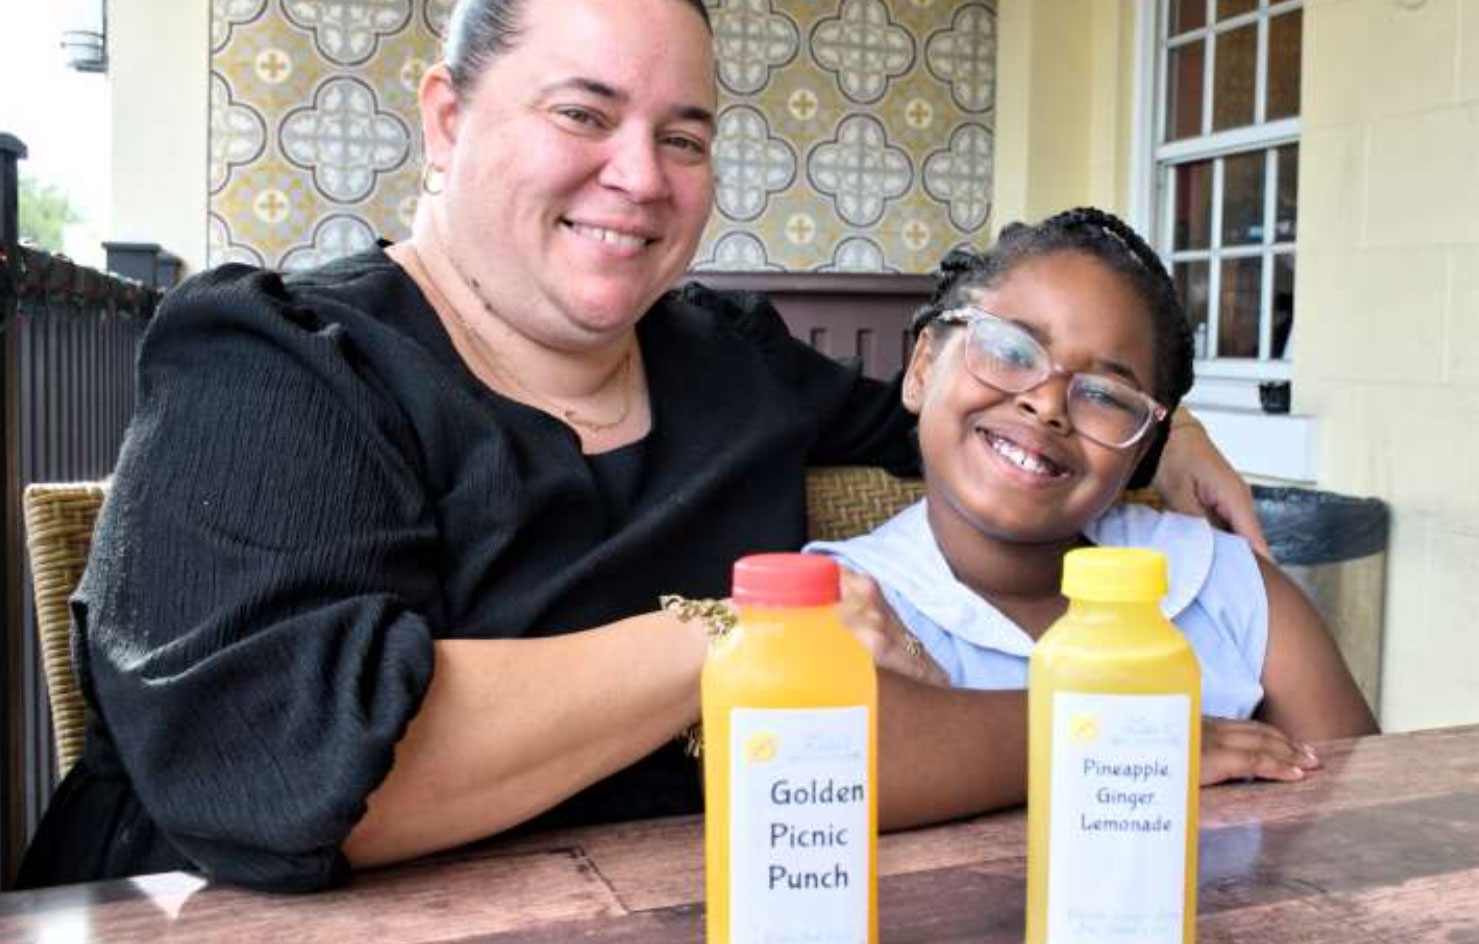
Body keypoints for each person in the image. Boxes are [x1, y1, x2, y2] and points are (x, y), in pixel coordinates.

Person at [18, 0, 1269, 892]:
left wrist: (1158, 424)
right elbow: (271, 765)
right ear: (446, 118)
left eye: (682, 135)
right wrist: (725, 633)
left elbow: (964, 417)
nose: (641, 175)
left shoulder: (728, 361)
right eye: (584, 112)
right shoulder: (277, 362)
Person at [810, 208, 1379, 785]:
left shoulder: (1220, 582)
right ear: (923, 368)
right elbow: (826, 769)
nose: (1048, 404)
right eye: (1009, 351)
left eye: (1106, 395)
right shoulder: (846, 601)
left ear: (1142, 451)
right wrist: (1136, 741)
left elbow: (1363, 804)